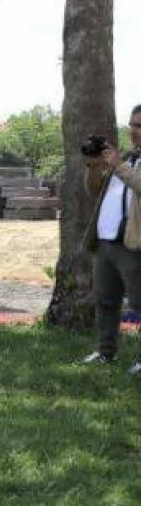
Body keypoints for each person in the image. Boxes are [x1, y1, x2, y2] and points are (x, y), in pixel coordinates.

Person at [80, 124, 141, 368]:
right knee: (106, 300)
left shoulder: (122, 163)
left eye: (140, 125)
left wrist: (119, 166)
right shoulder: (125, 158)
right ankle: (106, 352)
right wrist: (94, 165)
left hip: (133, 245)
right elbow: (94, 190)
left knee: (139, 303)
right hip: (106, 242)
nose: (134, 130)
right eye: (133, 124)